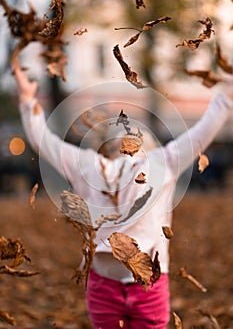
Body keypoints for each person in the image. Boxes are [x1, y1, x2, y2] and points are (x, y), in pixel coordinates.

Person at [13, 60, 233, 329]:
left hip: (117, 284)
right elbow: (203, 132)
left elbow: (43, 141)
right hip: (137, 284)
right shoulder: (161, 162)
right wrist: (226, 93)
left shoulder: (90, 165)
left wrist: (27, 102)